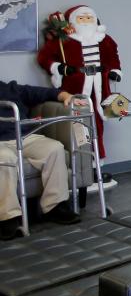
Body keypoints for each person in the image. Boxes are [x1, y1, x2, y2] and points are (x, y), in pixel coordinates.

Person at [1, 80, 85, 240]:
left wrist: (66, 95)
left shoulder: (10, 88)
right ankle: (7, 218)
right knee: (5, 159)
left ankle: (55, 206)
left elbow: (45, 93)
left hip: (24, 137)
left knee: (54, 149)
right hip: (0, 143)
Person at [37, 5, 123, 159]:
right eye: (81, 18)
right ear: (73, 21)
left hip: (100, 86)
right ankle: (84, 166)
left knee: (98, 123)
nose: (85, 21)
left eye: (89, 18)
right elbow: (44, 57)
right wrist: (60, 68)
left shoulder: (104, 39)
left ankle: (97, 163)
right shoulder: (63, 40)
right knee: (78, 123)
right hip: (75, 87)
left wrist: (115, 71)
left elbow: (112, 56)